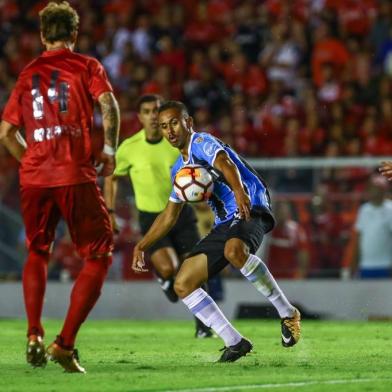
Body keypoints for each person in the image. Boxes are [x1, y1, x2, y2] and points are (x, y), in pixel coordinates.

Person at [0, 2, 119, 373]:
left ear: (41, 36)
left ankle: (34, 332)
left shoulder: (27, 74)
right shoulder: (86, 66)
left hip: (35, 178)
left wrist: (33, 161)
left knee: (37, 250)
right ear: (74, 34)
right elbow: (109, 105)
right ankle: (64, 344)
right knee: (99, 254)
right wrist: (110, 151)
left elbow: (6, 132)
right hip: (74, 173)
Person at [132, 101, 301, 362]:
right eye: (164, 126)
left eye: (174, 123)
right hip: (225, 222)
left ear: (188, 122)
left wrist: (239, 191)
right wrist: (142, 245)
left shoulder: (201, 141)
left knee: (234, 251)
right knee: (183, 283)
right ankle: (235, 342)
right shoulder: (179, 170)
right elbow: (169, 215)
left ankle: (288, 312)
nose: (170, 130)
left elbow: (225, 163)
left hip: (251, 204)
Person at [104, 94, 212, 337]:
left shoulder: (176, 142)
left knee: (194, 268)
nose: (153, 115)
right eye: (147, 111)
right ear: (140, 116)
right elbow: (111, 177)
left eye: (156, 110)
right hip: (151, 218)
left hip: (182, 213)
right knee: (169, 268)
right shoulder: (130, 147)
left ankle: (204, 326)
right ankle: (164, 277)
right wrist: (110, 211)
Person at [342, 175, 392, 279]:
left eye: (378, 189)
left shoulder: (390, 209)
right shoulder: (364, 210)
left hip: (386, 265)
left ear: (384, 190)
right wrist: (353, 265)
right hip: (366, 266)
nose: (375, 192)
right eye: (373, 189)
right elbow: (358, 240)